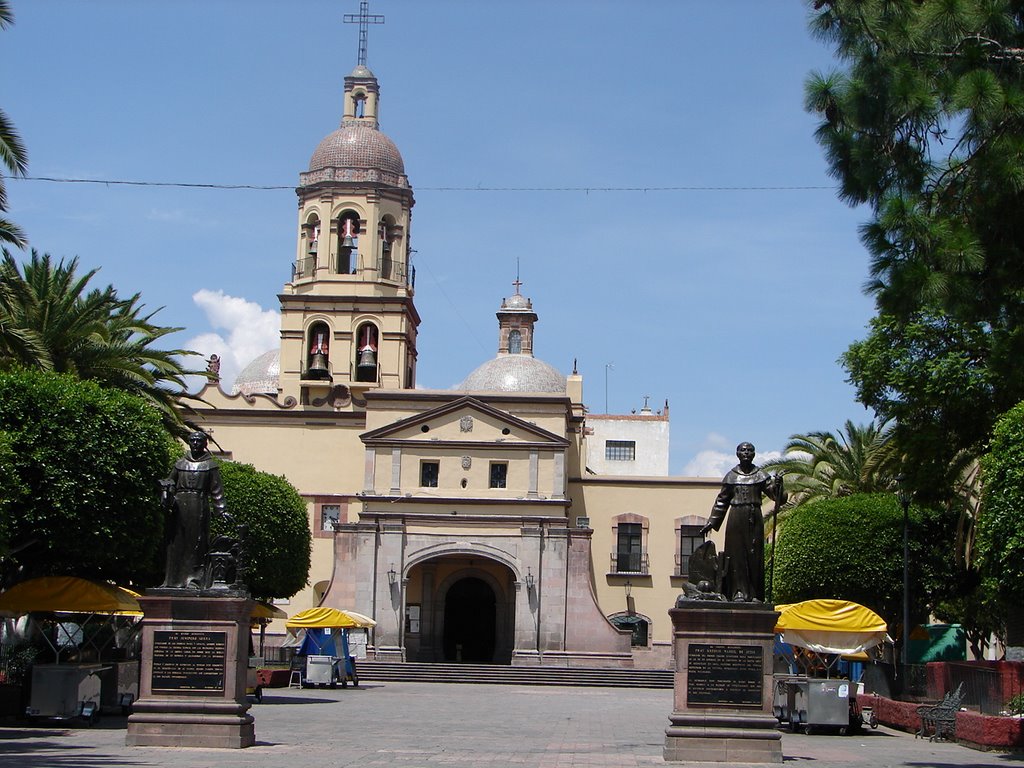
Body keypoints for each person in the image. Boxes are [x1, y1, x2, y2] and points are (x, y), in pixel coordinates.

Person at [700, 442, 785, 602]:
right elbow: (722, 501)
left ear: (754, 454)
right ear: (737, 453)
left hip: (754, 517)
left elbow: (776, 497)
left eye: (749, 450)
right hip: (736, 517)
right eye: (743, 450)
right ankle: (737, 593)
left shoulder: (761, 475)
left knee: (755, 555)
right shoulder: (731, 476)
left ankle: (755, 595)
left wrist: (779, 486)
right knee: (736, 555)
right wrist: (712, 522)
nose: (746, 453)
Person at [160, 431, 227, 589]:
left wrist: (222, 510)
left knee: (197, 544)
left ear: (205, 444)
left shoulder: (210, 465)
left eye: (199, 441)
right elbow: (170, 480)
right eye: (193, 440)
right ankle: (172, 581)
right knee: (176, 543)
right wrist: (167, 489)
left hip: (198, 506)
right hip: (179, 506)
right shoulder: (180, 463)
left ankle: (194, 580)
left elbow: (217, 490)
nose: (195, 443)